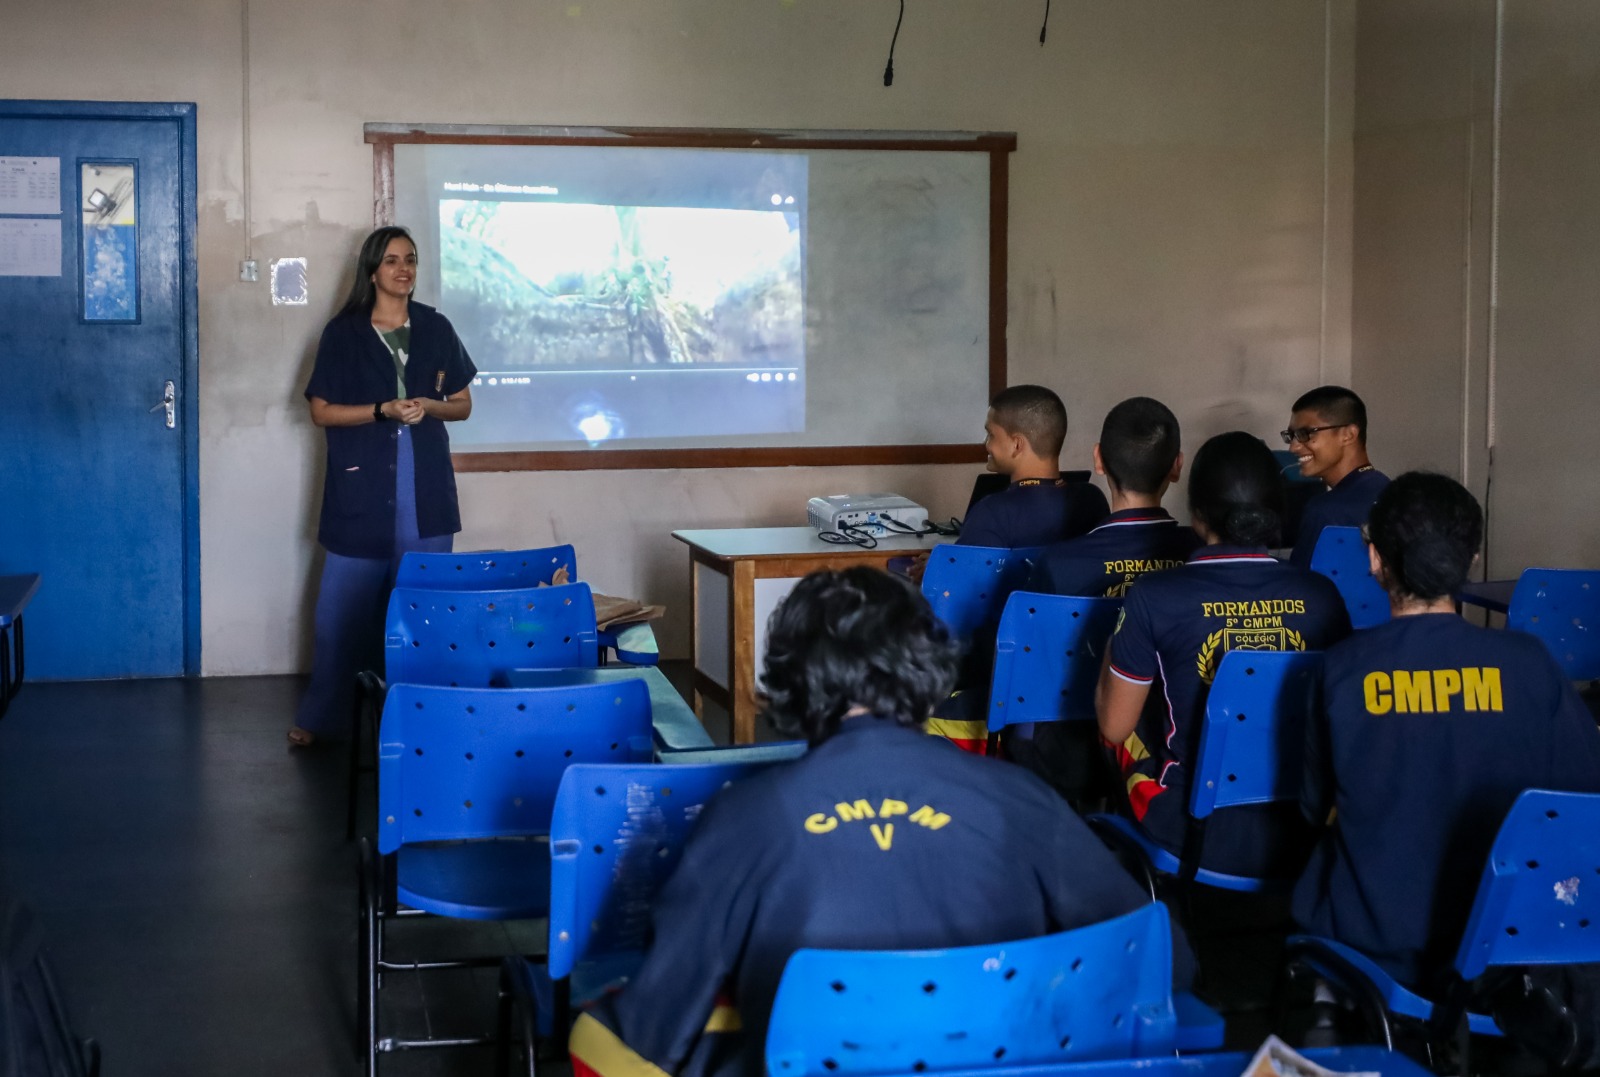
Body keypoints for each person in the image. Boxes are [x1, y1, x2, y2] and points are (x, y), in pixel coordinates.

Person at [569, 567, 1186, 1077]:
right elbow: (1168, 961)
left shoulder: (743, 818)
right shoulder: (1021, 799)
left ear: (789, 681)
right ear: (930, 671)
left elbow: (649, 1029)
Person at [1292, 472, 1600, 989]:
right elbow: (1581, 793)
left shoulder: (1343, 667)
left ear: (1375, 559)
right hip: (1510, 947)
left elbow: (1311, 807)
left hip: (1379, 944)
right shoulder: (1530, 662)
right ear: (1471, 559)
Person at [1096, 432, 1350, 878]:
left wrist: (1112, 644)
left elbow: (1113, 728)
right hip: (1306, 831)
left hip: (1195, 833)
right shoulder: (1322, 594)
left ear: (1196, 513)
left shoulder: (1155, 596)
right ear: (1276, 507)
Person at [288, 226, 476, 747]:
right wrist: (381, 410)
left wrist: (428, 406)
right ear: (372, 270)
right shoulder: (344, 332)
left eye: (410, 259)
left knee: (426, 616)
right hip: (361, 489)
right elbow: (321, 411)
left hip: (425, 488)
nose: (403, 269)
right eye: (392, 260)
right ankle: (321, 718)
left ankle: (421, 718)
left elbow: (462, 404)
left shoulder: (436, 327)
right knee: (339, 618)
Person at [1011, 397, 1201, 797]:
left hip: (1072, 750)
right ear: (1177, 466)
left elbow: (1030, 667)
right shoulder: (1200, 557)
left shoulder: (1059, 564)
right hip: (1173, 744)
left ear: (1098, 460)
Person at [957, 384, 1109, 549]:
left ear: (1017, 445)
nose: (985, 443)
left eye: (990, 435)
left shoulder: (992, 513)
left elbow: (961, 565)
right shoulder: (1092, 500)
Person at [1283, 386, 1389, 568]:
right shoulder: (1390, 492)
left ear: (1348, 435)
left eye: (1306, 434)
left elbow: (1301, 582)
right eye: (1291, 436)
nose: (1293, 447)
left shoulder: (1325, 511)